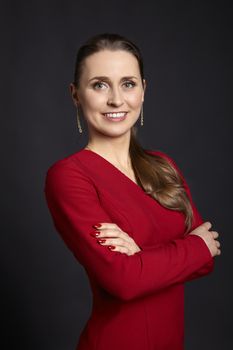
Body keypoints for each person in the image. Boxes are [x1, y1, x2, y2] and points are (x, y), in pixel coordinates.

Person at [44, 33, 221, 350]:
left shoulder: (163, 165)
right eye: (99, 84)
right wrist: (191, 247)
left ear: (143, 90)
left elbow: (209, 259)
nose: (116, 99)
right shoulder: (69, 176)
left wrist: (141, 256)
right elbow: (123, 281)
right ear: (75, 94)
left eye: (128, 83)